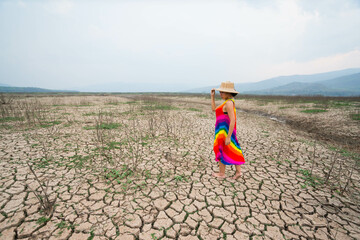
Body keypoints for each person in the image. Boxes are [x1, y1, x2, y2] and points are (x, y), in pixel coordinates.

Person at [211, 81, 245, 180]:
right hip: (222, 132)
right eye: (220, 92)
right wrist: (212, 97)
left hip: (225, 133)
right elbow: (214, 109)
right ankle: (238, 172)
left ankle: (222, 173)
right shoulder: (227, 102)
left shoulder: (229, 103)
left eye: (222, 92)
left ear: (229, 93)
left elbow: (233, 119)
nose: (220, 94)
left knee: (222, 149)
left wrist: (229, 136)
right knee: (232, 150)